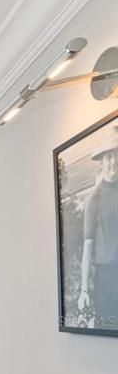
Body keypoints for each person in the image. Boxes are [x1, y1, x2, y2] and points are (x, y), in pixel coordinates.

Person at [78, 124, 118, 329]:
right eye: (109, 156)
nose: (113, 161)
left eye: (116, 154)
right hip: (106, 278)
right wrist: (84, 289)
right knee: (108, 331)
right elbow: (87, 248)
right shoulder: (94, 199)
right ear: (102, 161)